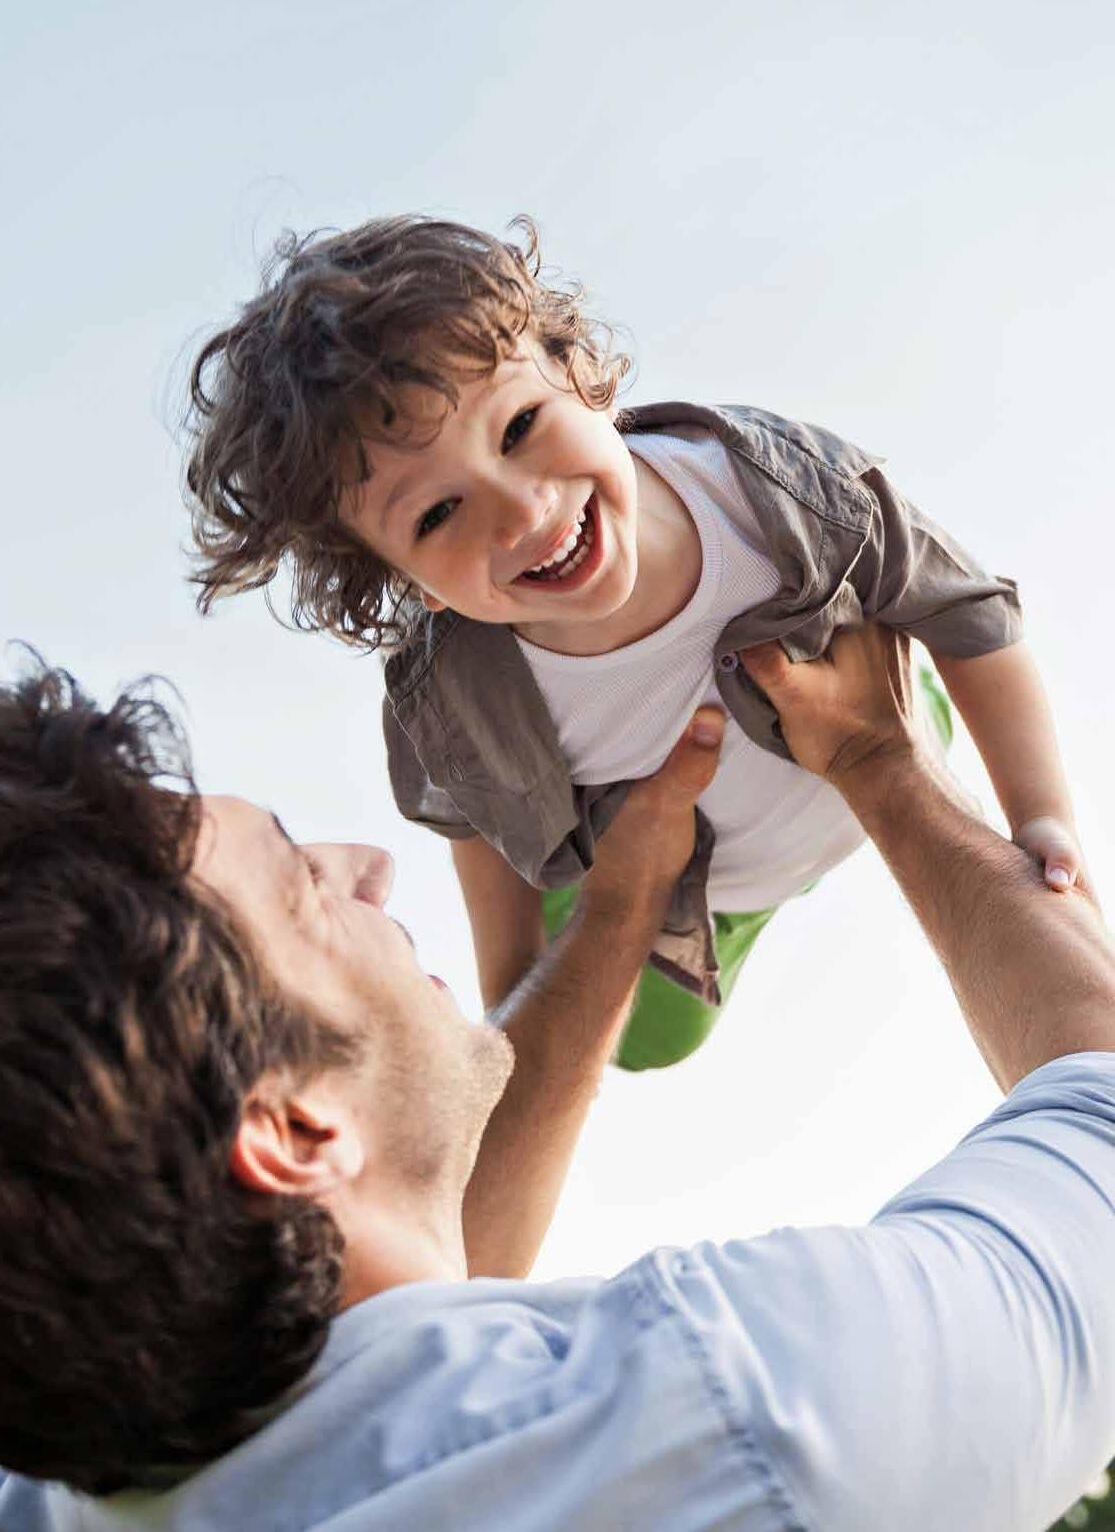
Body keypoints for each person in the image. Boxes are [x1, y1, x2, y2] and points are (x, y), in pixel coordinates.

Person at [1, 623, 1113, 1531]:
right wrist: (878, 758)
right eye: (303, 885)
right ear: (292, 1132)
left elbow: (385, 1302)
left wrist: (622, 906)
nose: (370, 867)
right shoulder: (741, 1419)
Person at [183, 214, 1086, 1071]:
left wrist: (1039, 815)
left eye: (519, 427)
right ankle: (619, 910)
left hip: (878, 742)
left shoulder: (769, 494)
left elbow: (969, 611)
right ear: (409, 581)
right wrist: (512, 997)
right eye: (439, 512)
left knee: (971, 797)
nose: (523, 511)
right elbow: (476, 824)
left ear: (579, 374)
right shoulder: (453, 699)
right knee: (647, 1040)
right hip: (710, 897)